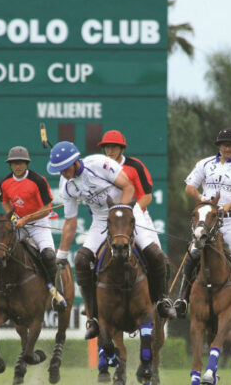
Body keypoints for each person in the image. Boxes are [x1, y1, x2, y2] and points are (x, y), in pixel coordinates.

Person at [47, 141, 175, 340]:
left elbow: (128, 187)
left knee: (155, 254)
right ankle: (93, 317)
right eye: (59, 171)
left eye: (65, 169)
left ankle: (162, 301)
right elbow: (70, 222)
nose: (63, 174)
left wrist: (119, 215)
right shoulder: (67, 186)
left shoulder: (99, 164)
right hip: (101, 220)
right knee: (81, 260)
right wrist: (62, 255)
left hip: (127, 213)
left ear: (75, 162)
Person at [174, 128, 231, 320]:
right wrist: (203, 200)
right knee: (192, 257)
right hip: (207, 220)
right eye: (224, 145)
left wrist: (230, 205)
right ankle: (182, 299)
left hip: (230, 220)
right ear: (219, 146)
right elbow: (189, 188)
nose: (227, 148)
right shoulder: (204, 164)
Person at [0, 146, 66, 311]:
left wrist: (26, 219)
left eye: (21, 162)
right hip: (17, 224)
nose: (18, 166)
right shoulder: (5, 183)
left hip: (39, 224)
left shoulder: (38, 180)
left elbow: (47, 209)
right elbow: (5, 202)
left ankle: (58, 296)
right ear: (10, 164)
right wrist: (13, 216)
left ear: (27, 163)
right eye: (14, 163)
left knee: (49, 255)